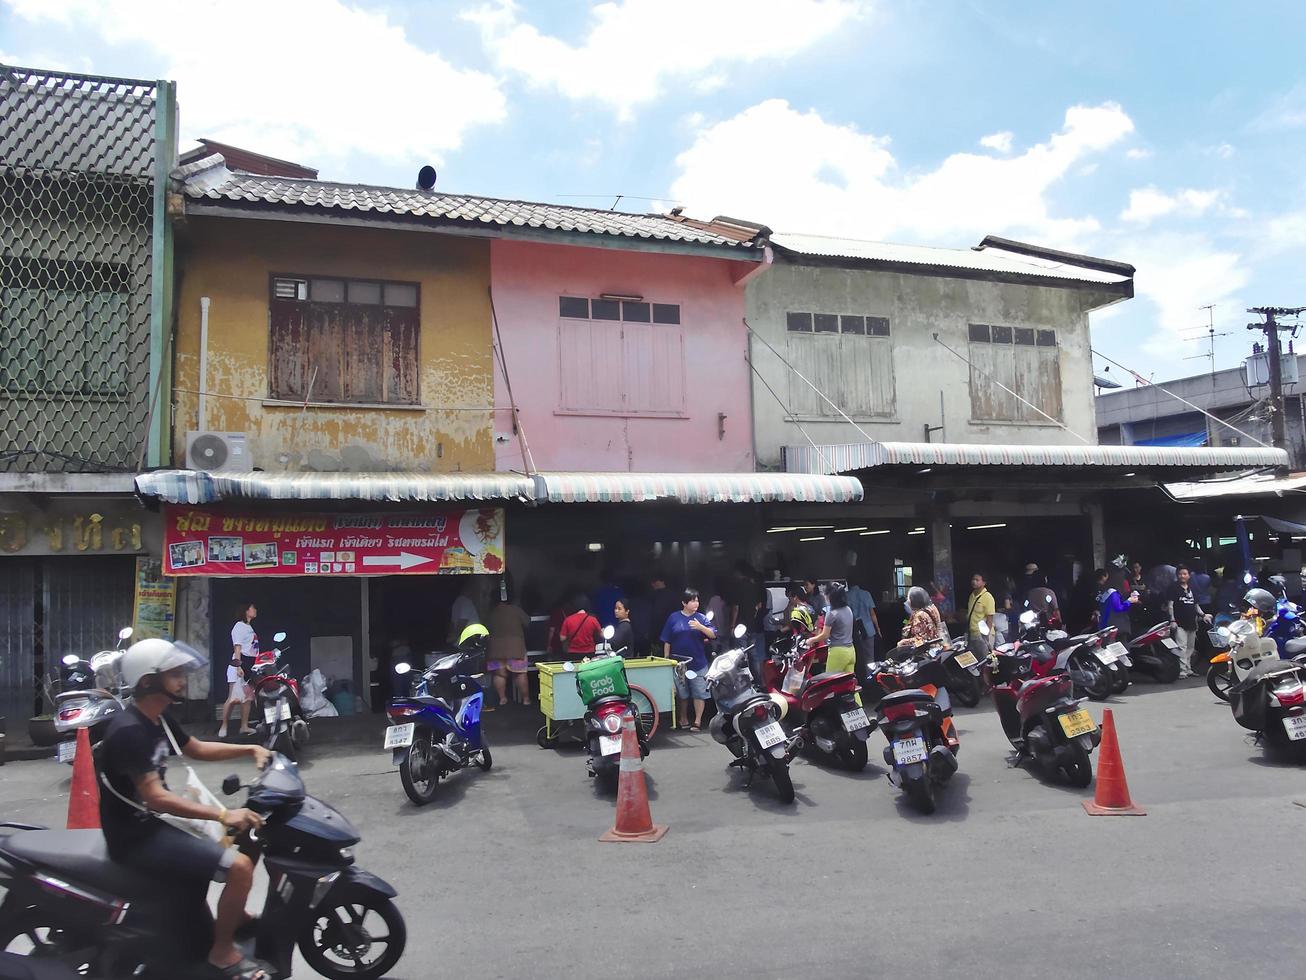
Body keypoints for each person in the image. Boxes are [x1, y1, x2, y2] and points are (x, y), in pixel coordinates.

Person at [97, 638, 272, 980]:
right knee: (238, 868)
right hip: (135, 837)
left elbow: (196, 749)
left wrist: (250, 748)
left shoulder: (157, 717)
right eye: (174, 673)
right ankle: (222, 953)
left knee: (250, 835)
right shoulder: (130, 731)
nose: (182, 679)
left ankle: (232, 917)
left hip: (152, 822)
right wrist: (223, 814)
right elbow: (156, 798)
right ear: (148, 681)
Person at [661, 588, 716, 731]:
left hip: (698, 662)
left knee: (699, 692)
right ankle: (683, 717)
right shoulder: (673, 618)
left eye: (697, 600)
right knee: (682, 693)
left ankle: (697, 721)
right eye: (692, 600)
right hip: (679, 664)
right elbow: (667, 640)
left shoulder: (701, 618)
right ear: (684, 603)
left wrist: (700, 627)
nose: (696, 603)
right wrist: (667, 658)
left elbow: (713, 635)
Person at [219, 601, 258, 739]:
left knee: (247, 698)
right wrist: (238, 666)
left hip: (249, 664)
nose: (255, 610)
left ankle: (244, 726)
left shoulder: (249, 627)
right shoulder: (239, 626)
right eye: (252, 607)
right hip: (240, 664)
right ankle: (224, 726)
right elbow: (237, 647)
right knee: (232, 698)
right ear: (246, 611)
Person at [1165, 564, 1211, 679]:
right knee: (1182, 647)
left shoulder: (1192, 588)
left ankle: (1188, 668)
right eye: (1180, 574)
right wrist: (1172, 620)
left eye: (1184, 574)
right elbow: (1170, 605)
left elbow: (1196, 605)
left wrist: (1203, 615)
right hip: (1179, 622)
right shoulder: (1173, 588)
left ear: (1189, 575)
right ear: (1177, 575)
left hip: (1192, 622)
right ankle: (1182, 671)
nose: (1182, 576)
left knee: (1190, 647)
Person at [487, 592, 531, 708]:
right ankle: (526, 700)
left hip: (495, 648)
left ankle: (502, 699)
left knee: (499, 674)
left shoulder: (491, 612)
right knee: (520, 673)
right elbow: (527, 622)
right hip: (516, 648)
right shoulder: (516, 610)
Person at [805, 583, 857, 677]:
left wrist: (811, 640)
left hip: (838, 652)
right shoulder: (848, 609)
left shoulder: (832, 614)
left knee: (830, 682)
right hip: (851, 651)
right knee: (848, 684)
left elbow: (825, 635)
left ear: (829, 596)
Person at [1095, 568, 1139, 638]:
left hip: (1104, 627)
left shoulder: (1102, 590)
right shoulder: (1112, 592)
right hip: (1115, 627)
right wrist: (1129, 601)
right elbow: (1119, 608)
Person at [648, 574, 680, 656]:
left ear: (661, 581)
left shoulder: (654, 596)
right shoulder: (674, 595)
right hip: (673, 633)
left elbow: (655, 616)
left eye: (654, 581)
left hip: (659, 634)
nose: (652, 584)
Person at [966, 573, 996, 656]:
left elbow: (990, 618)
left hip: (982, 635)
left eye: (977, 580)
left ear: (984, 583)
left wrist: (986, 636)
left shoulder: (988, 597)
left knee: (985, 661)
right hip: (972, 634)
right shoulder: (971, 596)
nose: (974, 582)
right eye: (973, 579)